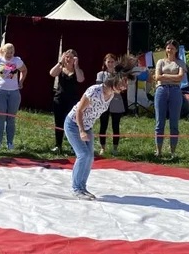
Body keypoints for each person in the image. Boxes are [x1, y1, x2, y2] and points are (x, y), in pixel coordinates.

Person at [65, 56, 135, 200]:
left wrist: (86, 129)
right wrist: (82, 130)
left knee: (90, 157)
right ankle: (76, 188)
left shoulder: (110, 95)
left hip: (88, 126)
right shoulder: (94, 91)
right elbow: (79, 111)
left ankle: (82, 187)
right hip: (74, 124)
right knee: (83, 155)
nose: (124, 88)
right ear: (115, 81)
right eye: (123, 84)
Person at [0, 43, 27, 151]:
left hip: (14, 93)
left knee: (11, 118)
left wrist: (21, 81)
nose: (9, 54)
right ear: (2, 51)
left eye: (11, 52)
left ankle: (10, 143)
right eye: (7, 52)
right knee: (0, 118)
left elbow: (24, 70)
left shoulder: (17, 61)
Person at [154, 40, 187, 159]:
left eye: (172, 48)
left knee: (174, 122)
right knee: (159, 122)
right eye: (168, 48)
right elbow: (157, 77)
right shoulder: (160, 62)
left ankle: (173, 151)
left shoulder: (180, 63)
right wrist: (169, 77)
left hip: (175, 91)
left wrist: (164, 76)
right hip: (161, 90)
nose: (169, 50)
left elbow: (180, 78)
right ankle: (158, 151)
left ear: (176, 50)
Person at [50, 49, 84, 154]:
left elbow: (80, 79)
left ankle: (73, 146)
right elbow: (51, 73)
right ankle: (58, 145)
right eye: (67, 57)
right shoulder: (61, 68)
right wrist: (60, 62)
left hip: (73, 100)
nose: (68, 59)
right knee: (59, 122)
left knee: (73, 124)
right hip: (59, 99)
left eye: (71, 57)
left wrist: (76, 66)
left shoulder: (78, 70)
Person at [97, 54, 127, 156]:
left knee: (116, 126)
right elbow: (99, 88)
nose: (110, 64)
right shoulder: (100, 74)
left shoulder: (120, 75)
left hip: (116, 101)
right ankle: (102, 147)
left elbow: (122, 88)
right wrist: (114, 89)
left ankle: (115, 148)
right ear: (105, 63)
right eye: (108, 61)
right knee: (103, 125)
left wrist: (118, 87)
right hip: (104, 101)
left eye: (112, 61)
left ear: (115, 63)